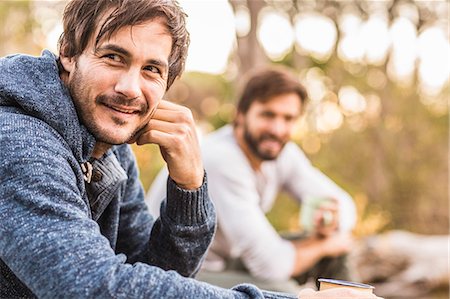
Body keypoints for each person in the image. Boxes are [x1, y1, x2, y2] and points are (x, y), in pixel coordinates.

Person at [0, 0, 382, 297]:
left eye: (152, 69)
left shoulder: (110, 148)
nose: (131, 88)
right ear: (69, 52)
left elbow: (161, 272)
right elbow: (91, 287)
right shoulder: (19, 140)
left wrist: (188, 187)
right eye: (114, 57)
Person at [147, 67, 357, 292]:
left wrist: (330, 222)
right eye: (268, 115)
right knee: (284, 292)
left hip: (227, 263)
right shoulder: (223, 159)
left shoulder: (283, 154)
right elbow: (270, 266)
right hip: (179, 273)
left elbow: (344, 204)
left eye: (288, 118)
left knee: (336, 255)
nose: (277, 129)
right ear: (240, 114)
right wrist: (324, 245)